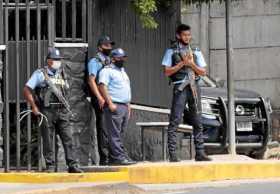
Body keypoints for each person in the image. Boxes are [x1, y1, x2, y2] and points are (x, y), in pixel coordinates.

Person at [23, 47, 83, 173]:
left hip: (62, 110)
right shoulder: (40, 73)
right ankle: (50, 166)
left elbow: (65, 91)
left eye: (59, 59)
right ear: (49, 60)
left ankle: (72, 165)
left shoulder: (62, 73)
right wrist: (34, 106)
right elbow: (27, 89)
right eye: (56, 59)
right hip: (47, 110)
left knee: (68, 138)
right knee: (48, 139)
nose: (58, 61)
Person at [161, 24, 212, 162]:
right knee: (175, 120)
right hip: (180, 88)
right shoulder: (170, 51)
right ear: (178, 35)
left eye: (189, 35)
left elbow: (203, 72)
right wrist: (182, 64)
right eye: (184, 35)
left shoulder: (195, 50)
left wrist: (191, 64)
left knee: (197, 120)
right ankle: (173, 154)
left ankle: (200, 153)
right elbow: (166, 71)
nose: (187, 37)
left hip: (194, 87)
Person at [99, 48, 136, 166]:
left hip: (124, 106)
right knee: (114, 133)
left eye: (124, 57)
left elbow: (126, 88)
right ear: (113, 59)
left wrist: (128, 105)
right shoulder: (107, 71)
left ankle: (116, 156)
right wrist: (109, 103)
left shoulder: (122, 71)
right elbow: (102, 86)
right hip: (114, 105)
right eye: (120, 58)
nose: (122, 60)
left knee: (120, 133)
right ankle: (118, 157)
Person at [87, 35, 114, 165]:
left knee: (111, 128)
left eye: (110, 45)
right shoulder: (95, 61)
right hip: (100, 99)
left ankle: (113, 155)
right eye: (106, 45)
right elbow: (91, 80)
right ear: (100, 47)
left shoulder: (110, 61)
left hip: (110, 98)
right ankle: (105, 158)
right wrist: (99, 97)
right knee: (103, 128)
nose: (109, 48)